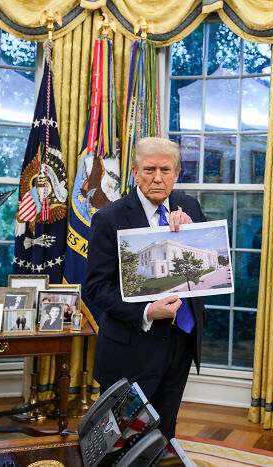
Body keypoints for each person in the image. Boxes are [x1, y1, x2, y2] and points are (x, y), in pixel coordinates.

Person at [86, 137, 206, 440]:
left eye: (165, 170)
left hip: (181, 343)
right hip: (131, 348)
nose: (157, 178)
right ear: (135, 173)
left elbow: (206, 271)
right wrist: (146, 311)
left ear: (177, 174)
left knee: (163, 436)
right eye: (149, 169)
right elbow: (97, 288)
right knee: (119, 438)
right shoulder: (108, 218)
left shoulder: (190, 207)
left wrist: (193, 235)